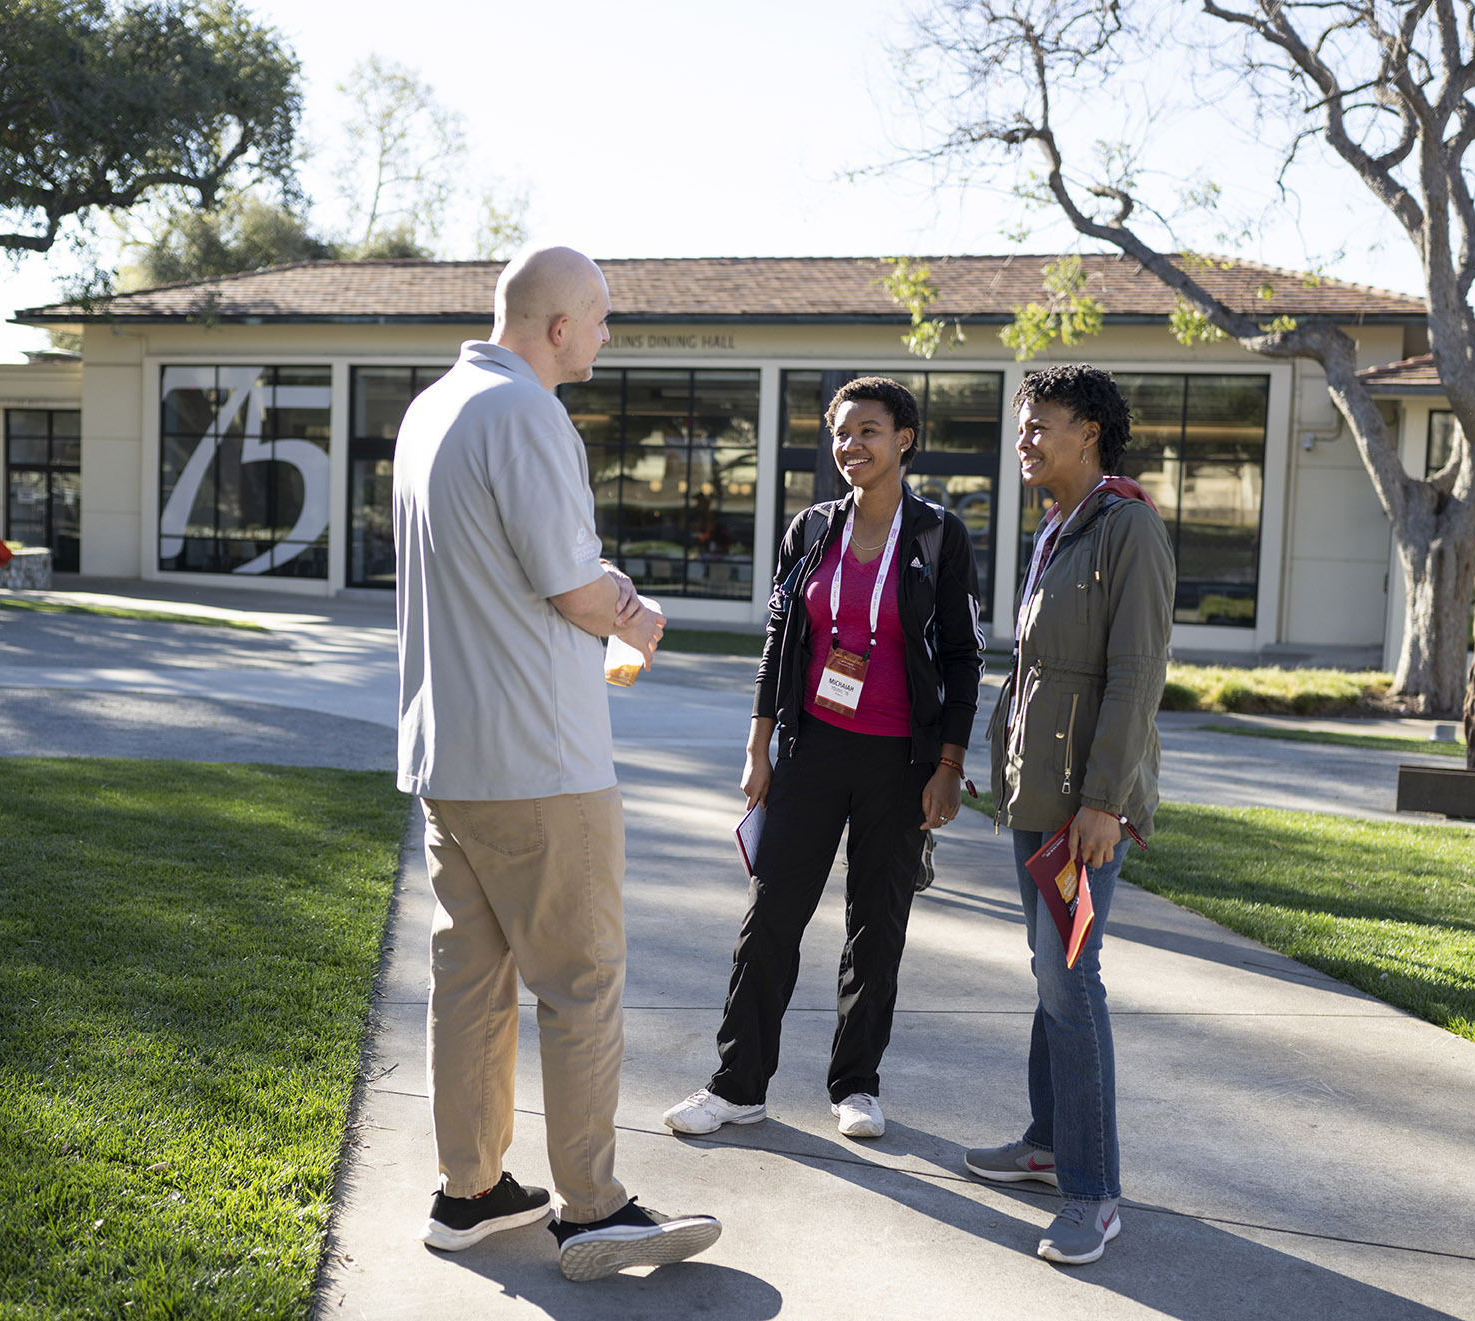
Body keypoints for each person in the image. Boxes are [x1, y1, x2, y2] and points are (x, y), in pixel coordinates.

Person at [393, 244, 721, 1282]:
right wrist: (641, 613)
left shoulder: (429, 409)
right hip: (543, 759)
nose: (609, 335)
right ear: (557, 327)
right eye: (602, 317)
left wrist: (596, 583)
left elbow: (520, 567)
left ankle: (469, 1190)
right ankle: (593, 1208)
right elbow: (572, 588)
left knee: (471, 984)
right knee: (581, 984)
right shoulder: (526, 413)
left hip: (452, 753)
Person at [662, 376, 984, 1141]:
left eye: (867, 431)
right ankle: (737, 1084)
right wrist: (758, 745)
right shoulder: (809, 529)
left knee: (876, 925)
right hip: (810, 748)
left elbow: (965, 657)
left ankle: (857, 1085)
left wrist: (947, 763)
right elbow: (778, 642)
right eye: (841, 433)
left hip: (899, 760)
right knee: (770, 916)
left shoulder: (938, 535)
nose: (851, 446)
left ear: (903, 439)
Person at [964, 364, 1174, 1266]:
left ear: (1087, 430)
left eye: (1038, 424)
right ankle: (1047, 1144)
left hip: (1083, 810)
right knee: (1051, 975)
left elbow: (1134, 677)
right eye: (1021, 425)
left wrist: (1102, 803)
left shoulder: (1128, 528)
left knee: (1070, 981)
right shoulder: (1057, 528)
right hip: (1034, 797)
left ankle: (1092, 1192)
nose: (1025, 439)